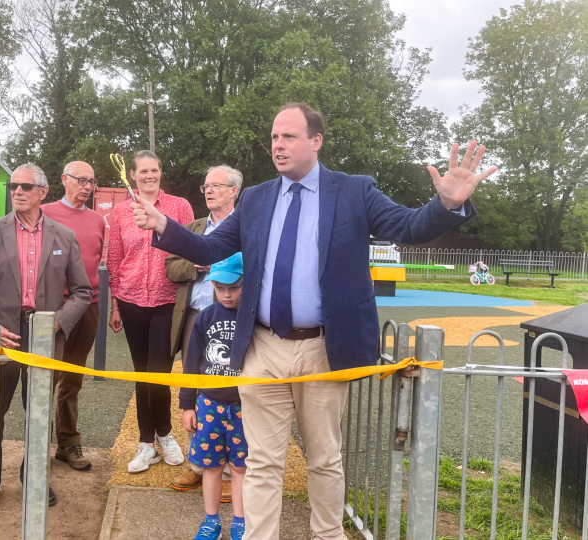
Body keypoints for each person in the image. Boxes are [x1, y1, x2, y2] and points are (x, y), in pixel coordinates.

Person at [131, 102, 497, 539]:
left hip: (323, 349)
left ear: (316, 141)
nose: (278, 145)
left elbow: (409, 226)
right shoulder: (256, 197)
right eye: (273, 137)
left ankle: (327, 533)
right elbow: (211, 249)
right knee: (262, 459)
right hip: (262, 347)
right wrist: (163, 225)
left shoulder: (355, 191)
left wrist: (446, 204)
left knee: (324, 458)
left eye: (288, 136)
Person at [0, 164, 92, 506]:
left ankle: (34, 478)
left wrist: (58, 323)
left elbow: (82, 292)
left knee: (37, 415)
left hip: (45, 336)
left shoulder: (64, 237)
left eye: (26, 187)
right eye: (13, 186)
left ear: (43, 193)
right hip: (1, 338)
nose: (17, 191)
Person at [107, 150, 194, 473]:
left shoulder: (179, 207)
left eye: (154, 170)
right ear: (132, 175)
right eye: (143, 171)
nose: (149, 176)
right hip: (131, 301)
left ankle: (166, 434)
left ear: (160, 173)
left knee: (158, 372)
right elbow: (115, 259)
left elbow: (190, 248)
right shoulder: (120, 211)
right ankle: (147, 444)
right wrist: (116, 305)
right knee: (140, 371)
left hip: (167, 302)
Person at [166, 165, 241, 495]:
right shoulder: (193, 228)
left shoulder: (247, 227)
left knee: (229, 386)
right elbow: (170, 267)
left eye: (216, 185)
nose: (208, 191)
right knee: (194, 381)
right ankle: (199, 464)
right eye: (205, 186)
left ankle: (227, 472)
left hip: (232, 318)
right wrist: (194, 265)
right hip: (194, 317)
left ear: (234, 191)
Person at [41, 161, 107, 470]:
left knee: (73, 379)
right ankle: (37, 446)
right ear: (64, 179)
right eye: (81, 180)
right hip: (53, 310)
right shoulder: (45, 213)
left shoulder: (97, 220)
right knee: (44, 378)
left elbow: (99, 263)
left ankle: (67, 443)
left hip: (89, 307)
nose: (87, 186)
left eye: (91, 181)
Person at [180, 252, 247, 540]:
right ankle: (211, 521)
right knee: (211, 467)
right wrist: (187, 405)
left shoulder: (256, 319)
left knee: (242, 468)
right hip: (208, 404)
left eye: (233, 287)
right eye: (220, 288)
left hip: (246, 407)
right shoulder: (205, 317)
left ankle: (241, 522)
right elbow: (191, 363)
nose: (226, 294)